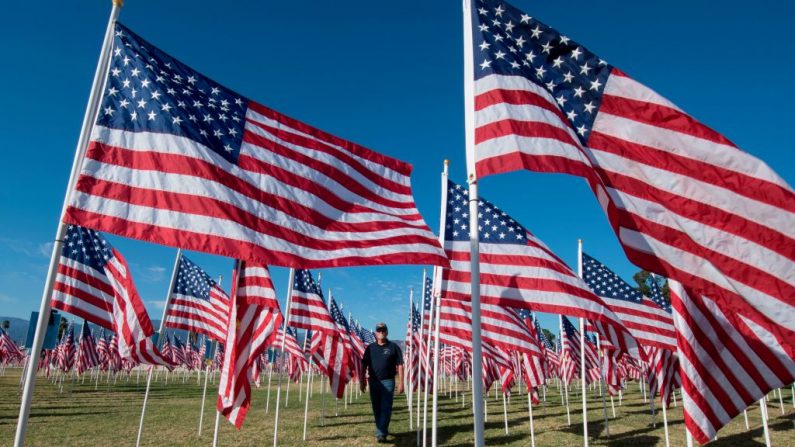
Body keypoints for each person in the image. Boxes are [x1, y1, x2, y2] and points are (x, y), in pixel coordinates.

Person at [360, 322, 404, 443]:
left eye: (383, 330)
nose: (381, 332)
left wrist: (401, 382)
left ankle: (381, 432)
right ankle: (382, 429)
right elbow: (363, 365)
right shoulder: (370, 348)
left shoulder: (393, 347)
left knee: (386, 407)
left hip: (388, 382)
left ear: (387, 332)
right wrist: (361, 380)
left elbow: (400, 365)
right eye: (379, 330)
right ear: (375, 333)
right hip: (373, 382)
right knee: (377, 408)